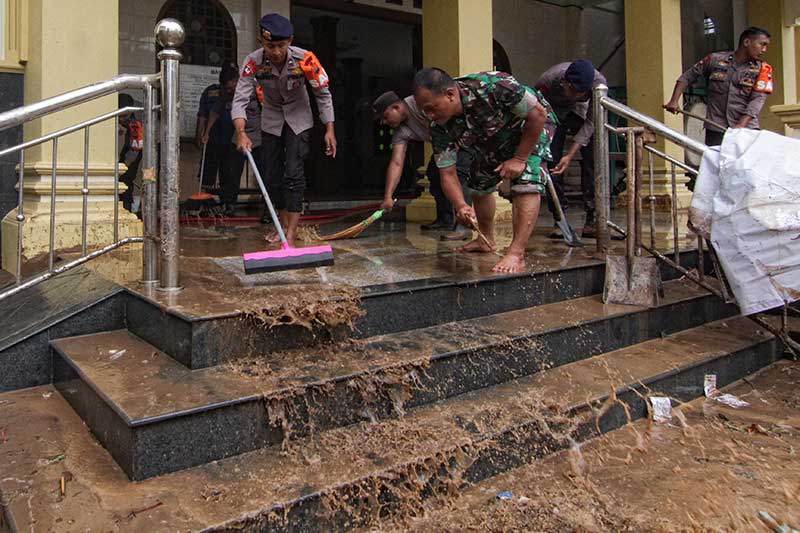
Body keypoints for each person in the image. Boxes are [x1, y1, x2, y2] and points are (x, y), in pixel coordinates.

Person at [413, 68, 557, 274]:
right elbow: (447, 173)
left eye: (431, 108)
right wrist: (461, 206)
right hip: (491, 140)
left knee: (527, 180)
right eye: (424, 111)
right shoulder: (439, 127)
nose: (429, 115)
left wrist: (519, 159)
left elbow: (538, 114)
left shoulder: (492, 85)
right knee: (478, 182)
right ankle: (485, 240)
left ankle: (516, 253)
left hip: (531, 128)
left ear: (450, 95)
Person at [232, 13, 337, 245]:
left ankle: (291, 231)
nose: (277, 52)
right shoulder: (253, 62)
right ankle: (282, 225)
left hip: (299, 117)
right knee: (272, 175)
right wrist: (241, 132)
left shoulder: (306, 59)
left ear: (290, 41)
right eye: (270, 46)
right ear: (261, 42)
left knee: (293, 173)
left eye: (281, 45)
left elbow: (323, 94)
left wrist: (329, 128)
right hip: (271, 118)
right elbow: (240, 99)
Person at [371, 90, 472, 240]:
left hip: (464, 140)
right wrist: (388, 197)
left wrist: (456, 147)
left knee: (459, 174)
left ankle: (464, 225)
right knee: (433, 173)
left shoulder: (421, 102)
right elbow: (396, 162)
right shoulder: (401, 131)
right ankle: (445, 220)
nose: (384, 122)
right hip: (444, 147)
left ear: (396, 108)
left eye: (385, 117)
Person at [664, 26, 773, 147]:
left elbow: (757, 101)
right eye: (762, 44)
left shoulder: (763, 69)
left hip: (746, 130)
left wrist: (740, 126)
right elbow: (687, 77)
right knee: (714, 158)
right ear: (747, 42)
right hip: (716, 128)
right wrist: (674, 100)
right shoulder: (715, 59)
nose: (764, 50)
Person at [535, 59, 605, 238]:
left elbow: (591, 123)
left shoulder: (598, 85)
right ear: (563, 82)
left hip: (583, 113)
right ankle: (559, 217)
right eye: (572, 90)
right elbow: (537, 112)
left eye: (581, 92)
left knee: (594, 157)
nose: (575, 95)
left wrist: (570, 154)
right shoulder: (548, 81)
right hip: (553, 112)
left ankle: (592, 218)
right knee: (551, 159)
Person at [202, 64, 247, 216]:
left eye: (230, 87)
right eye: (226, 88)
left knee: (263, 171)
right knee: (231, 172)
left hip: (255, 136)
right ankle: (228, 204)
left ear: (237, 80)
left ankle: (269, 208)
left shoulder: (250, 89)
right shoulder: (224, 95)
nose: (228, 91)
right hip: (234, 138)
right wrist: (206, 132)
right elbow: (214, 112)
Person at [196, 69, 233, 192]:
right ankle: (205, 198)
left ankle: (225, 199)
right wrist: (199, 135)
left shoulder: (240, 93)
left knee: (227, 175)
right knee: (207, 174)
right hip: (212, 140)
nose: (228, 90)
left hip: (231, 142)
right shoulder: (210, 92)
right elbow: (203, 115)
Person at [117, 93, 143, 215]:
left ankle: (129, 209)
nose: (121, 120)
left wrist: (125, 165)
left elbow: (135, 149)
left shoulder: (138, 119)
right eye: (119, 116)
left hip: (151, 143)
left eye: (124, 116)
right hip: (133, 140)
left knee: (146, 176)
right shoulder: (126, 110)